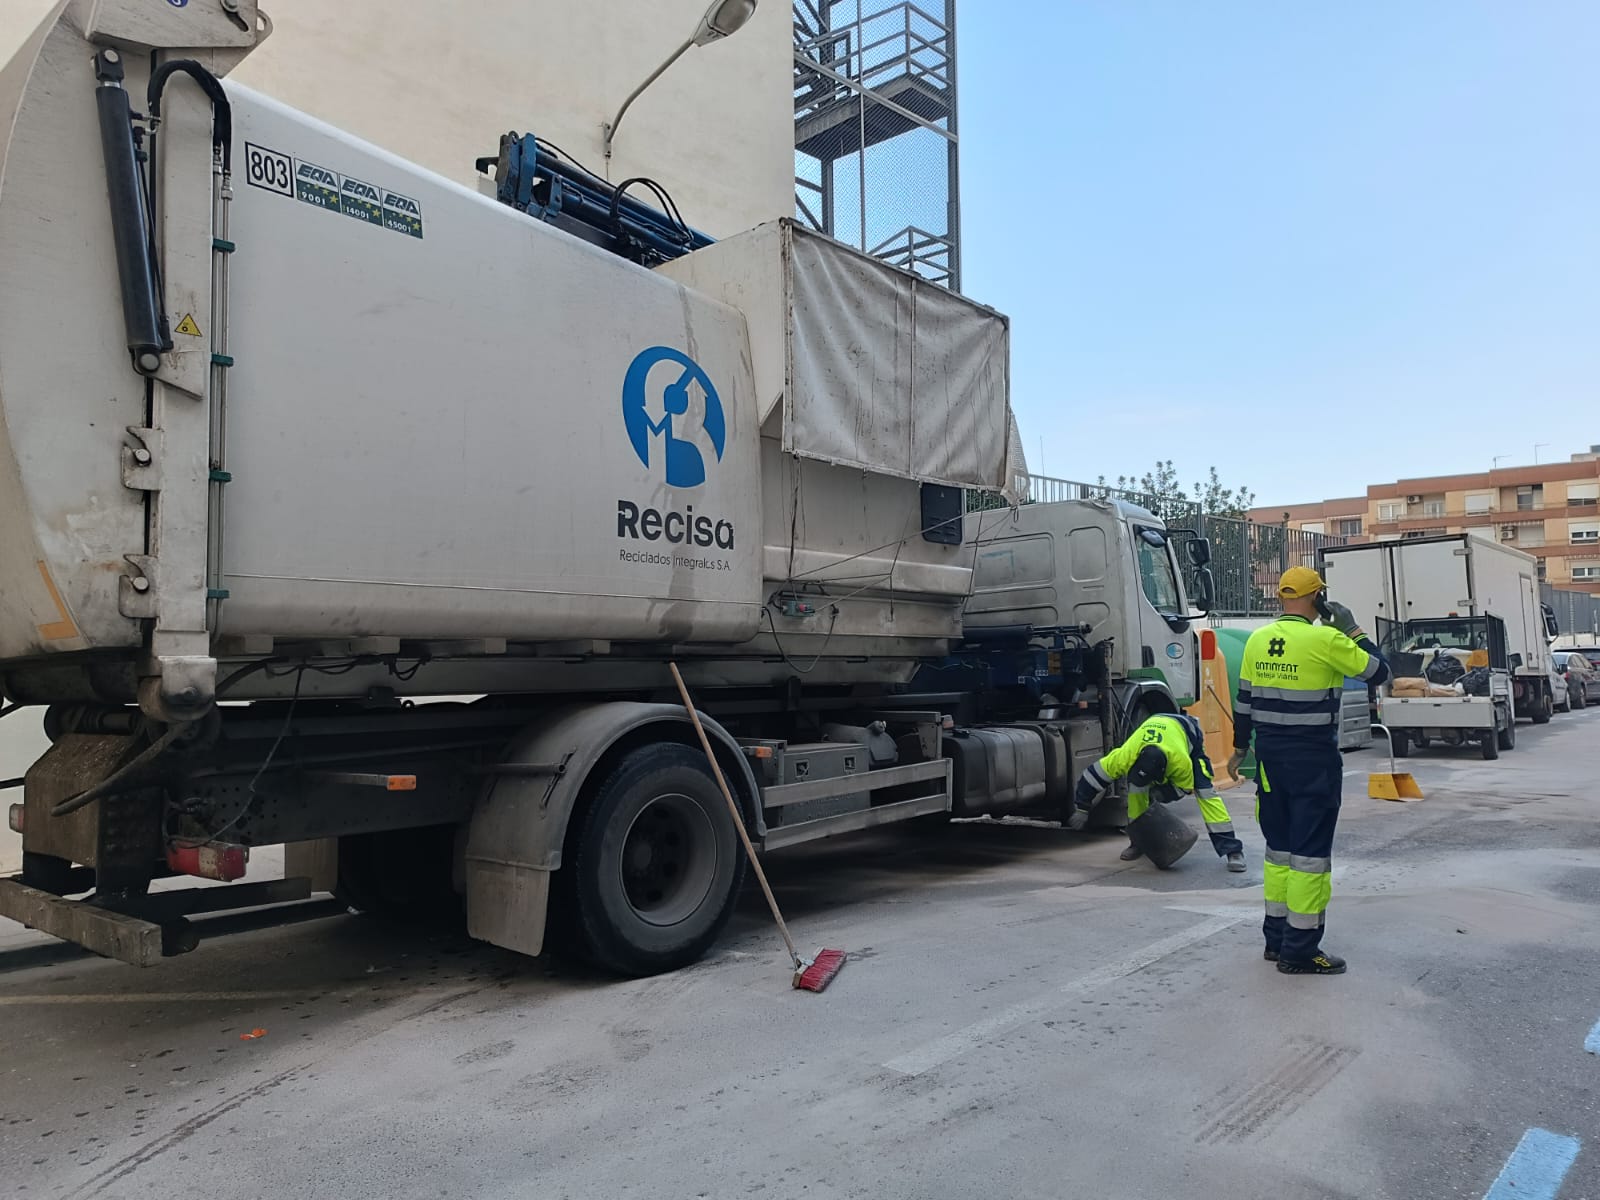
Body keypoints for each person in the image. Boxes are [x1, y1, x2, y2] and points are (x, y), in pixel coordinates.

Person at [1227, 566, 1389, 976]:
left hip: (1269, 761)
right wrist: (1353, 631)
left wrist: (1238, 748)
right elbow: (1380, 671)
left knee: (1278, 851)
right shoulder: (1328, 639)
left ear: (1282, 598)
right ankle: (1300, 950)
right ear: (1318, 599)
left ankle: (1276, 939)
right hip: (1312, 762)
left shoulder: (1257, 641)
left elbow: (1244, 703)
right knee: (1309, 856)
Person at [1068, 710, 1246, 872]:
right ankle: (1138, 843)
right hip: (1155, 728)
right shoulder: (1126, 755)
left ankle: (1232, 850)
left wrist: (1160, 794)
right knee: (1136, 792)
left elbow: (1183, 788)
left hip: (1187, 733)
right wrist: (1082, 808)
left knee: (1206, 793)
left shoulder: (1180, 761)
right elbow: (1092, 776)